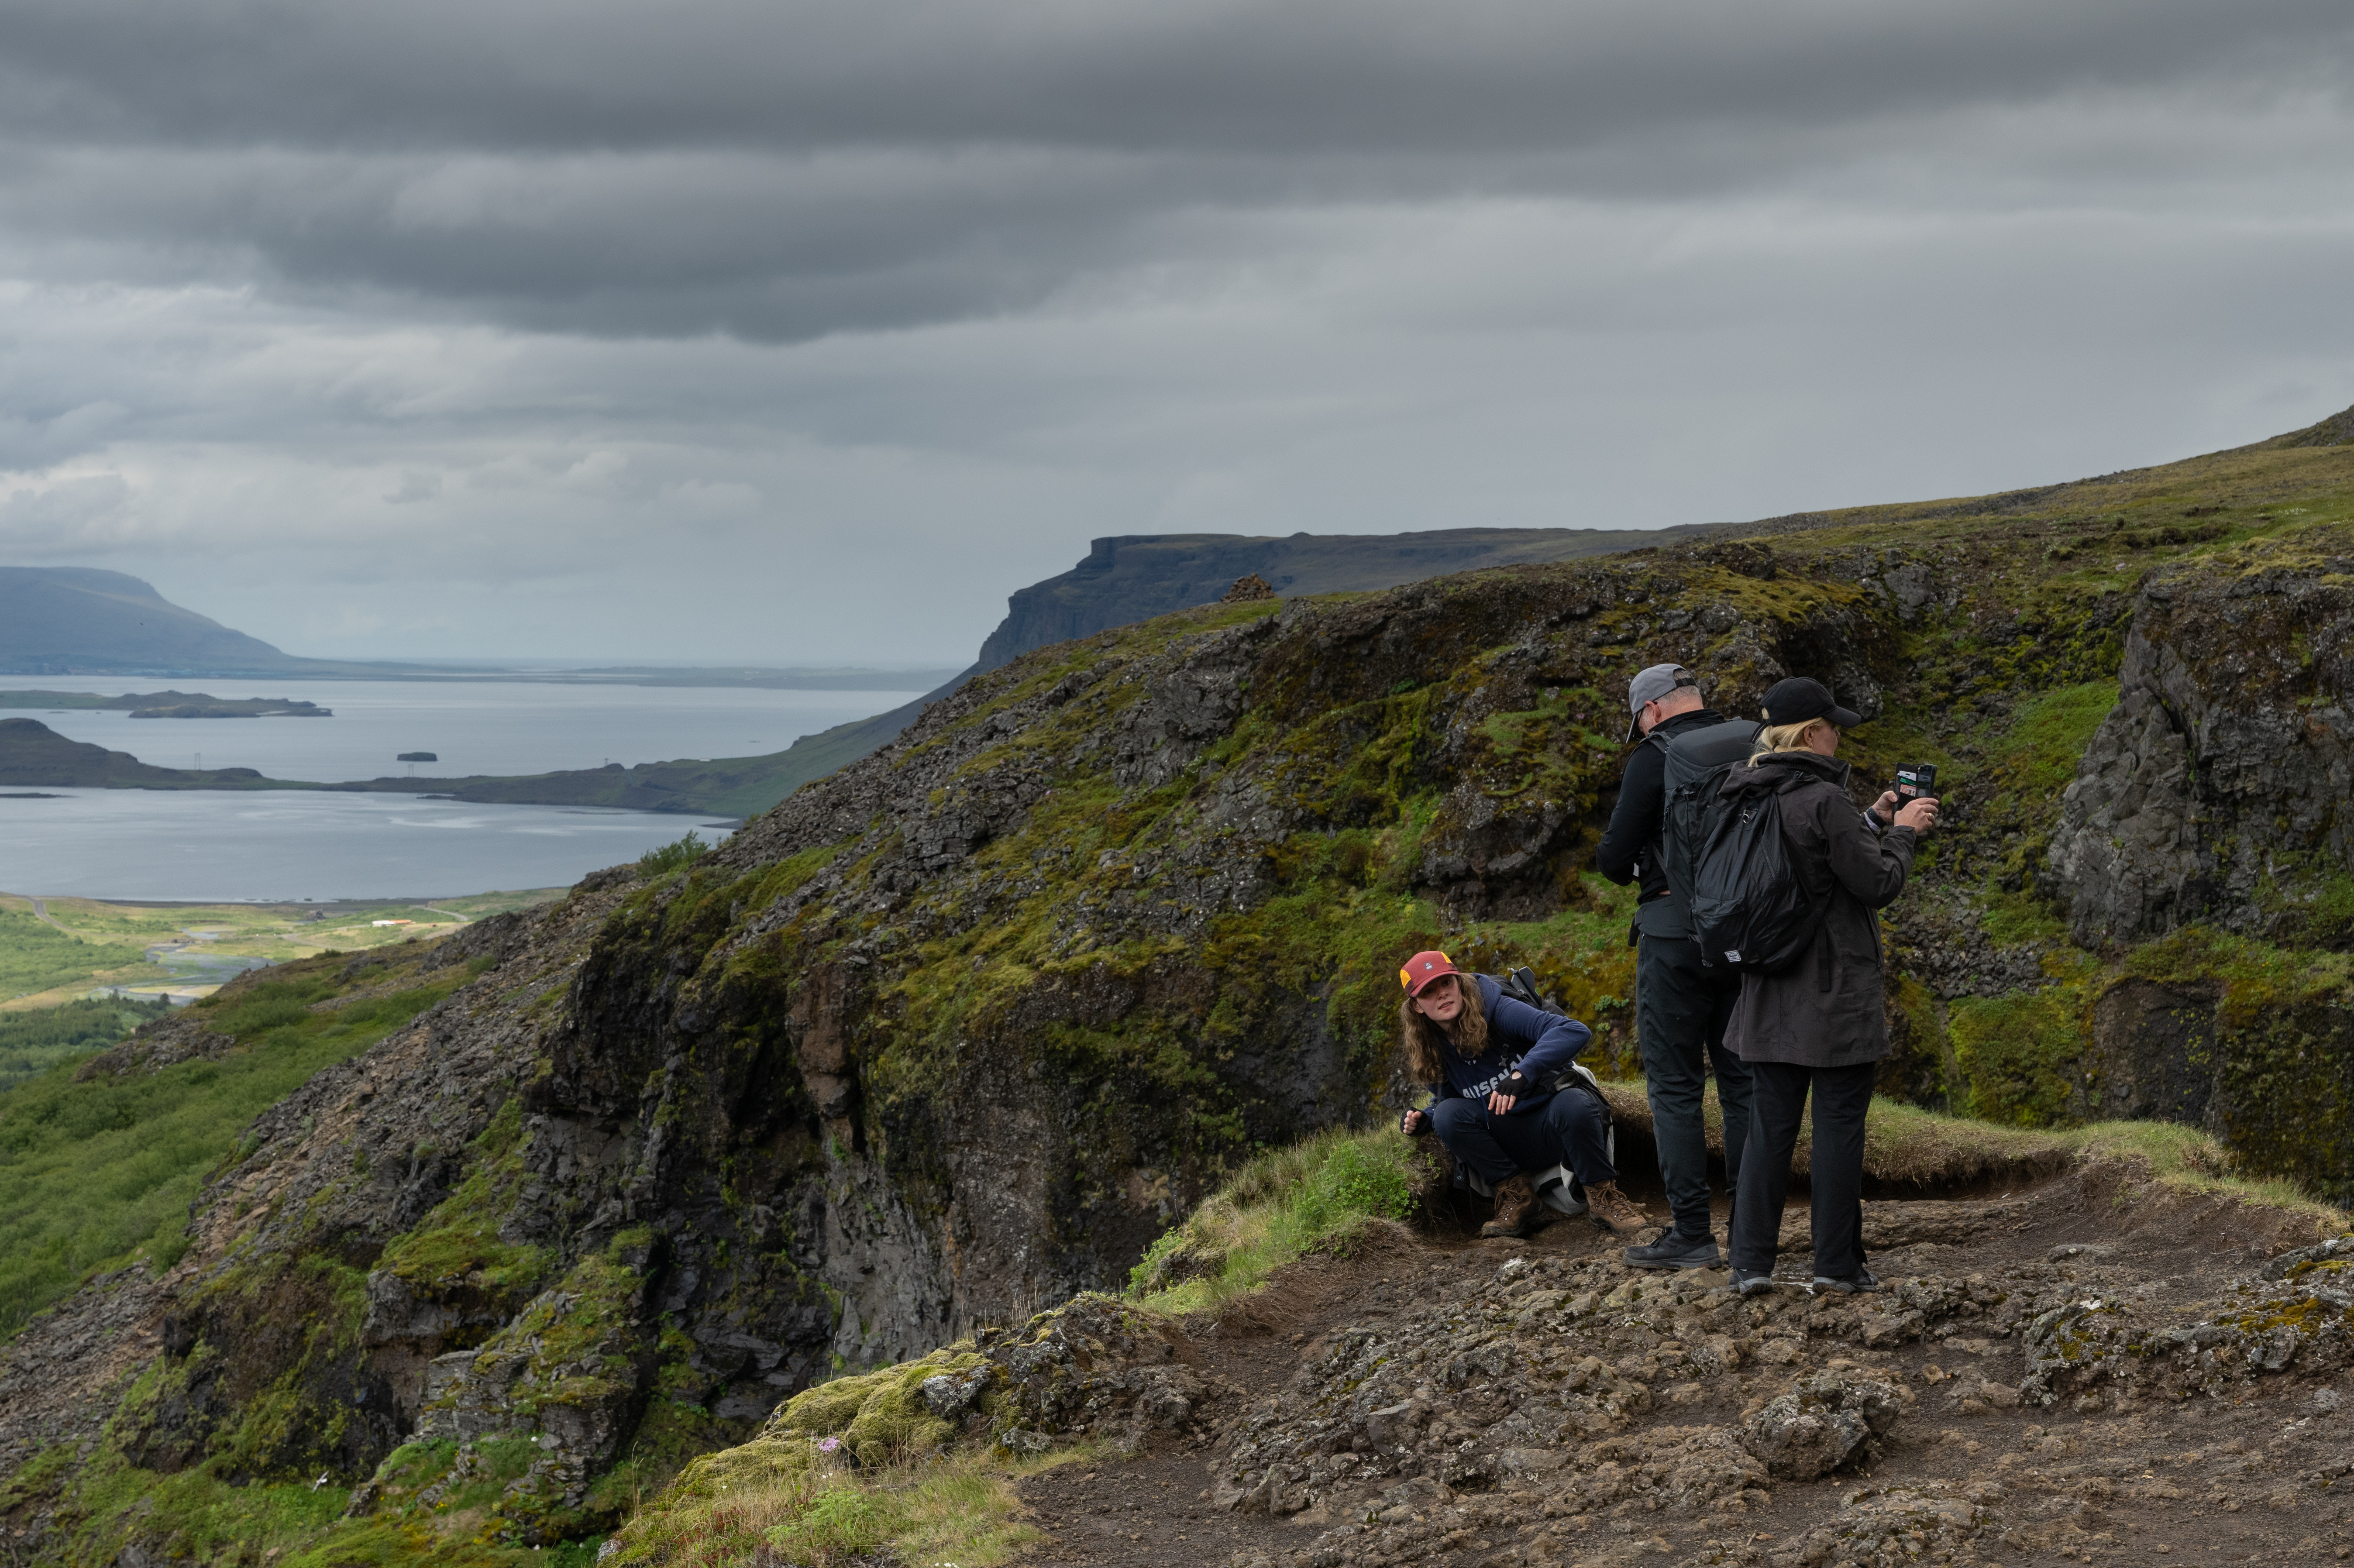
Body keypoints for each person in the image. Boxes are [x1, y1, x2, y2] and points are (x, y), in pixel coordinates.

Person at [1720, 677, 1938, 1296]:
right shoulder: (1822, 798)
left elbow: (1807, 863)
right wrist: (1904, 833)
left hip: (1765, 989)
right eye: (1834, 725)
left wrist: (1870, 818)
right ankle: (1836, 1265)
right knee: (1838, 1127)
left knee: (1769, 1129)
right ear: (1813, 733)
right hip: (1833, 991)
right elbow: (1875, 885)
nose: (1839, 734)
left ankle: (1749, 1263)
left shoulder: (1745, 792)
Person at [1596, 661, 1755, 1270]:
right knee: (1744, 1085)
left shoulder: (1655, 755)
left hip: (1671, 935)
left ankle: (1691, 1233)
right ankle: (1750, 1226)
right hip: (1746, 940)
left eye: (1639, 719)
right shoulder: (1755, 744)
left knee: (1676, 1089)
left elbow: (1613, 857)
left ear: (1654, 709)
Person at [1395, 950, 1646, 1237]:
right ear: (1416, 1006)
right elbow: (1448, 1100)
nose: (1442, 995)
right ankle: (1518, 1197)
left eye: (1446, 984)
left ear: (1459, 983)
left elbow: (1574, 1031)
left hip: (1554, 1127)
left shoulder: (1499, 1010)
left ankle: (1604, 1198)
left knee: (1576, 1103)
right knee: (1447, 1115)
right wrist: (1424, 1119)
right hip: (1507, 1140)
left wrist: (1522, 1073)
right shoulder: (1430, 1046)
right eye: (1429, 991)